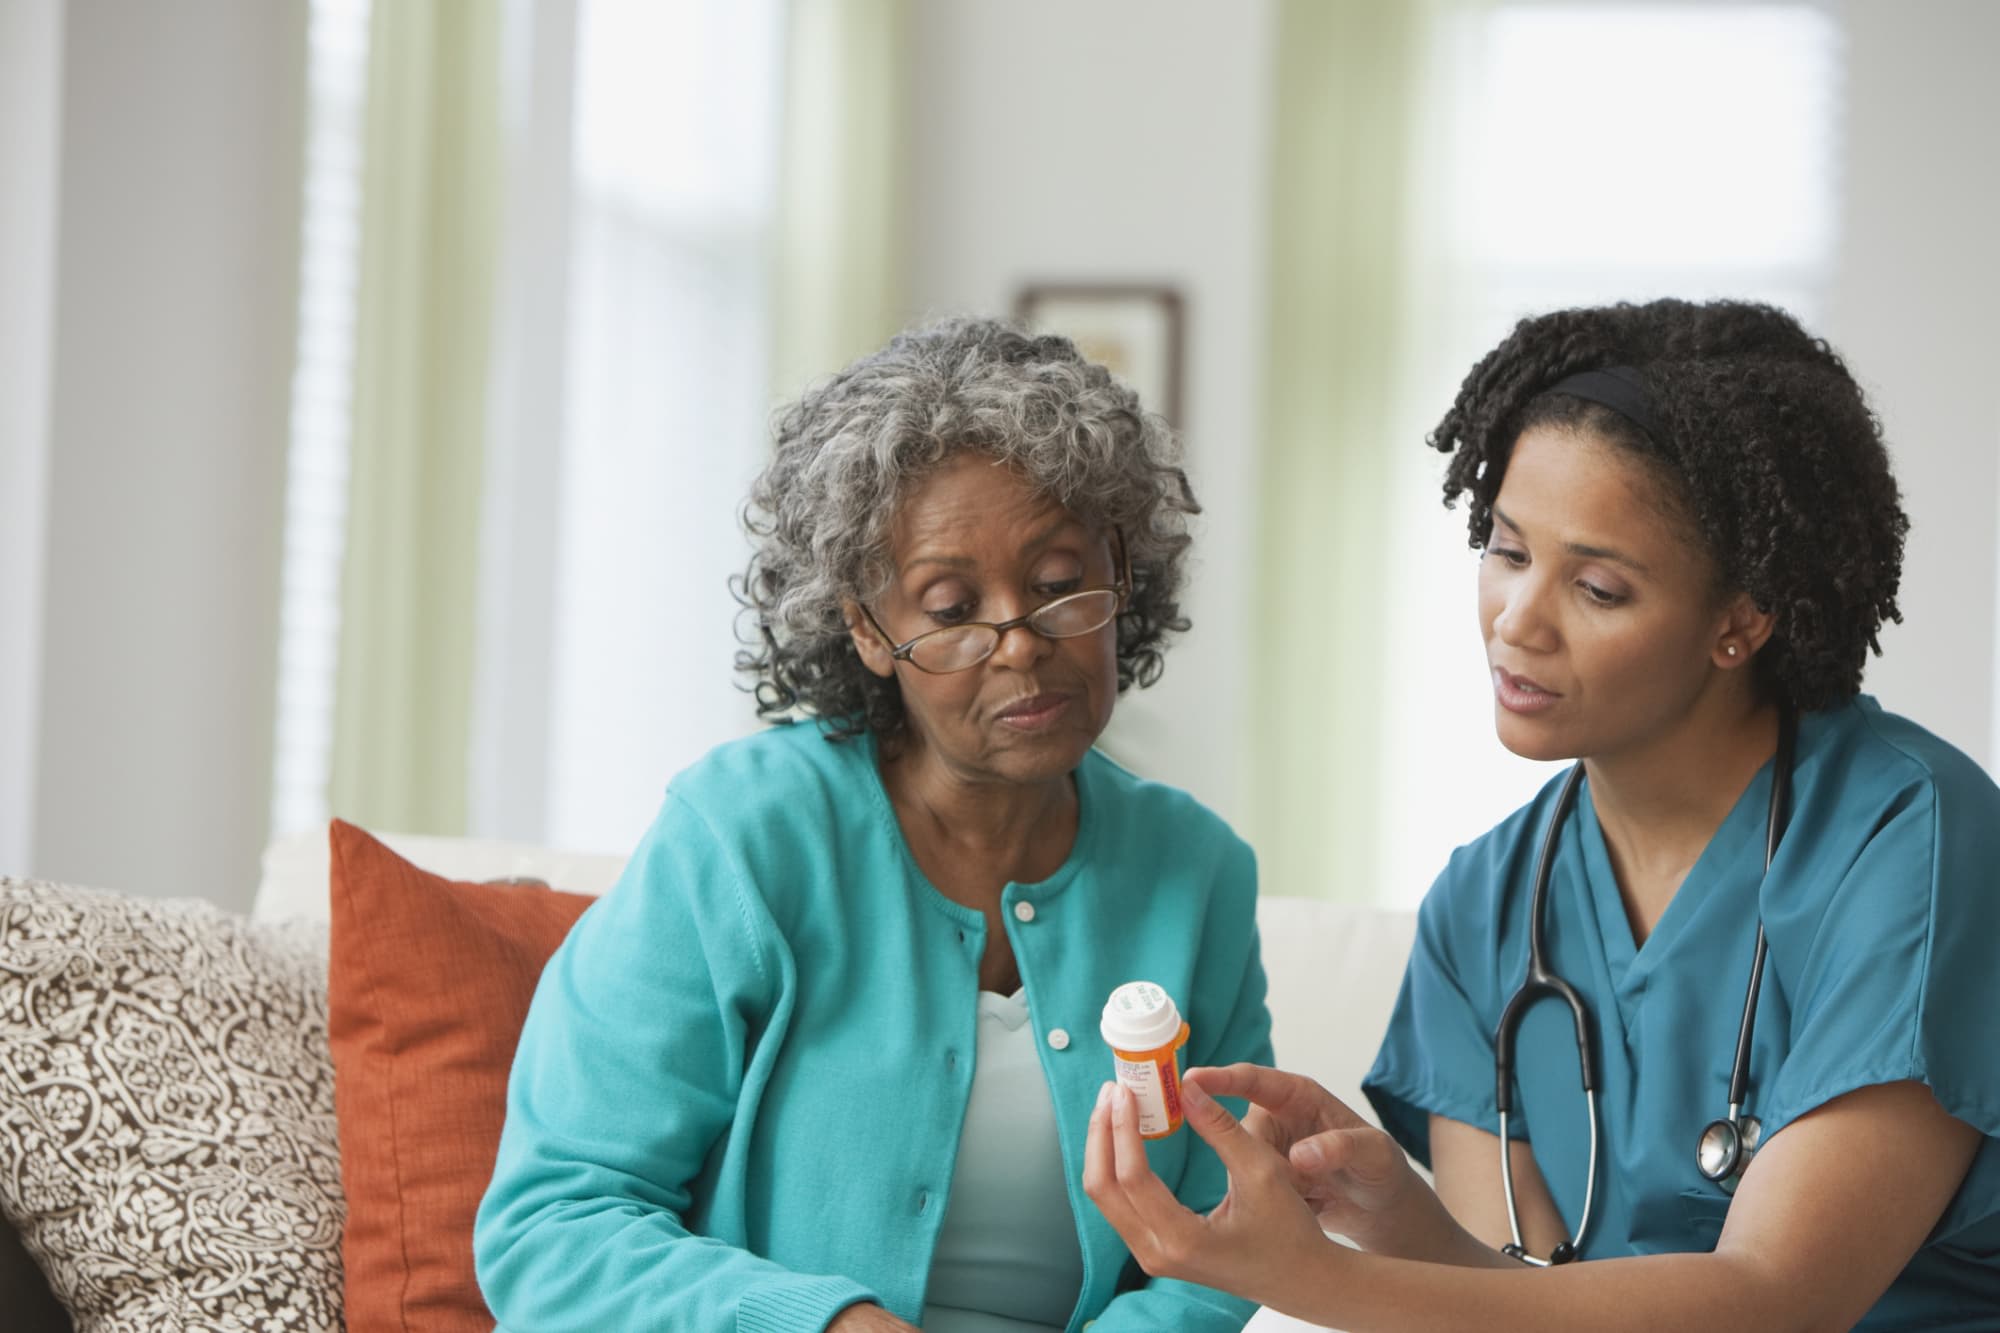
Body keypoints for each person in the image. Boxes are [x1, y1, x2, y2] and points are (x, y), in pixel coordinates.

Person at [1082, 298, 2000, 1329]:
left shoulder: (1910, 838)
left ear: (1739, 619)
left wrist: (1306, 1275)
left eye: (1598, 587)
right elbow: (1530, 1302)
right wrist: (1394, 1221)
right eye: (1506, 552)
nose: (1515, 621)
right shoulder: (1484, 905)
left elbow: (1776, 1300)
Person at [474, 317, 1273, 1332]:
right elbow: (553, 1225)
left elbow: (1227, 1242)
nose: (1020, 647)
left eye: (1059, 582)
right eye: (950, 606)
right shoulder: (743, 838)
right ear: (867, 626)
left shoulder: (1193, 872)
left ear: (1122, 573)